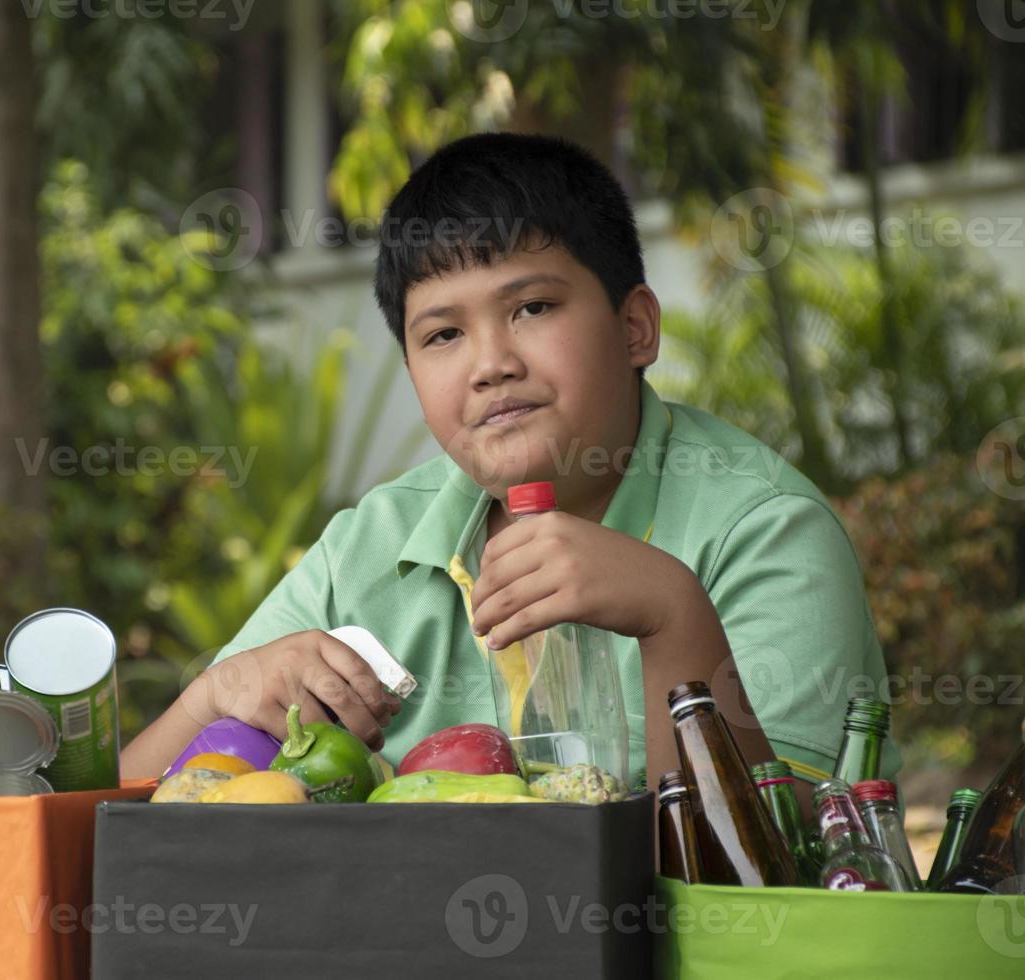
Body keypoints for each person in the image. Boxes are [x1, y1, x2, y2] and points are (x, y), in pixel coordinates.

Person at [121, 132, 900, 804]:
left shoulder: (767, 532)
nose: (491, 365)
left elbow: (764, 877)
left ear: (634, 328)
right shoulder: (371, 547)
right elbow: (110, 822)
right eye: (442, 335)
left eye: (532, 309)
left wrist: (672, 615)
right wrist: (218, 691)